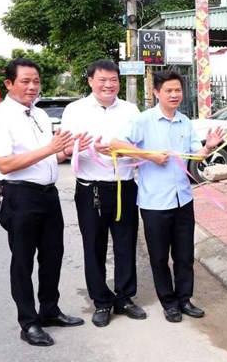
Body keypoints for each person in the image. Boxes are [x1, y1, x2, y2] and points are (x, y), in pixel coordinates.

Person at [0, 58, 88, 347]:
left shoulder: (39, 114)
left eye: (36, 81)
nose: (32, 86)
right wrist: (50, 149)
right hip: (19, 196)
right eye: (25, 81)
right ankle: (28, 323)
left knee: (53, 255)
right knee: (23, 261)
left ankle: (49, 310)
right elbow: (5, 164)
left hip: (48, 195)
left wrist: (65, 150)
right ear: (9, 84)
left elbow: (50, 156)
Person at [110, 70, 224, 323]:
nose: (174, 95)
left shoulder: (184, 121)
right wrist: (149, 155)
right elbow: (115, 144)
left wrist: (208, 146)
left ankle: (185, 299)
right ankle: (169, 302)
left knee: (184, 255)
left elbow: (196, 156)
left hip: (183, 199)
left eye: (178, 90)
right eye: (168, 91)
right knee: (159, 256)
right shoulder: (143, 121)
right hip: (154, 202)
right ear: (156, 93)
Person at [60, 60, 144, 328]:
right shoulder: (75, 110)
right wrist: (81, 149)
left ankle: (125, 297)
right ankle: (101, 301)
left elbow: (140, 145)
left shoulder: (131, 110)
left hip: (125, 186)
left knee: (125, 243)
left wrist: (125, 150)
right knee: (94, 247)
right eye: (102, 80)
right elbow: (64, 148)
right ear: (90, 81)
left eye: (113, 80)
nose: (109, 85)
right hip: (90, 189)